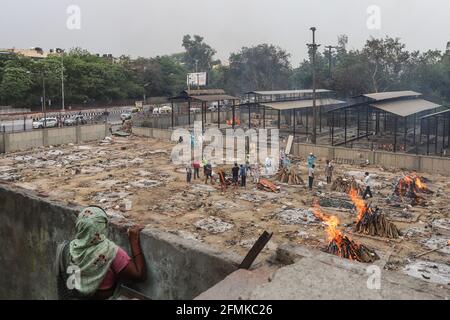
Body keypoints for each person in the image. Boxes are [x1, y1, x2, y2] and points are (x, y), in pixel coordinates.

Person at [56, 206, 146, 300]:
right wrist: (134, 241)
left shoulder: (67, 249)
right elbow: (139, 275)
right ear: (102, 226)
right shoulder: (109, 250)